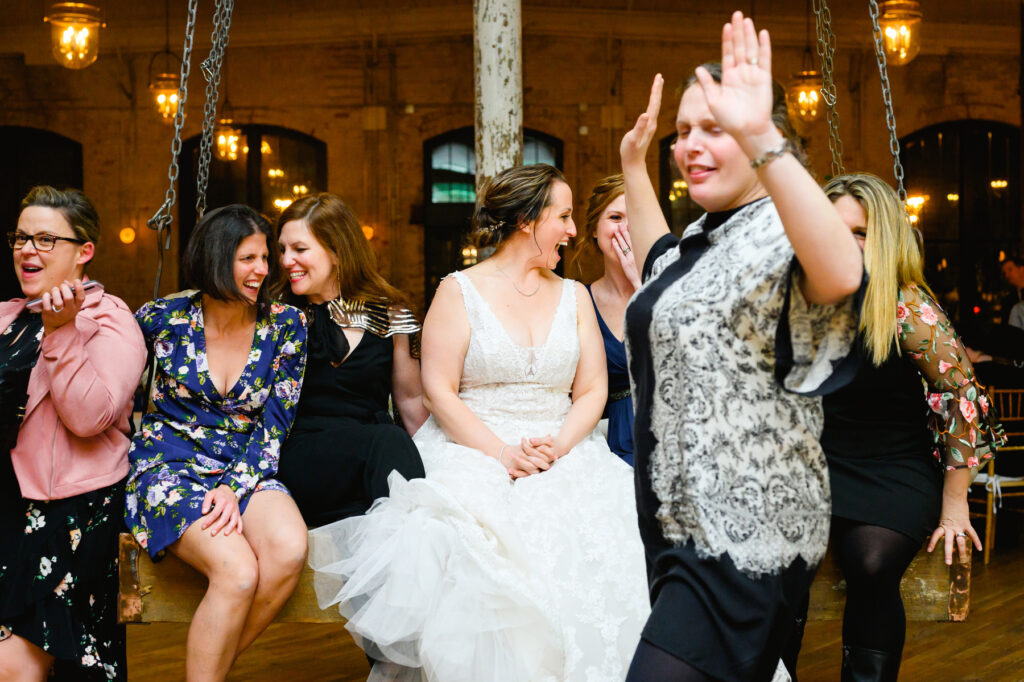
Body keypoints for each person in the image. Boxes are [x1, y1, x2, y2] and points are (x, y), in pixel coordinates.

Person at [309, 164, 650, 682]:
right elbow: (438, 391)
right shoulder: (458, 290)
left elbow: (592, 391)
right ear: (527, 221)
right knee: (468, 558)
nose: (573, 230)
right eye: (563, 216)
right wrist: (502, 454)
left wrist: (557, 447)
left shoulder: (574, 295)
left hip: (567, 449)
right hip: (473, 450)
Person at [620, 13, 864, 681]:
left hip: (745, 536)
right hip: (680, 531)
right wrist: (632, 167)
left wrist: (762, 137)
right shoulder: (707, 235)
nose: (689, 146)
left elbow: (843, 271)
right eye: (683, 132)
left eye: (714, 129)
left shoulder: (787, 226)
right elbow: (659, 281)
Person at [785, 173, 1005, 681]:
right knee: (780, 562)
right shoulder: (802, 294)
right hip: (816, 464)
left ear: (885, 237)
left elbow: (963, 398)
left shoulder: (906, 304)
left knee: (873, 563)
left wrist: (955, 504)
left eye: (860, 232)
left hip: (892, 468)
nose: (845, 242)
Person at [125, 205, 308, 681]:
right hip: (168, 466)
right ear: (216, 256)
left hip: (244, 467)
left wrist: (235, 485)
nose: (265, 270)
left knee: (289, 550)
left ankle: (208, 671)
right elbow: (115, 393)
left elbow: (275, 424)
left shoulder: (287, 324)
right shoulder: (160, 319)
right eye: (249, 258)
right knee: (238, 572)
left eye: (265, 257)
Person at [0, 186, 146, 681]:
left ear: (84, 252)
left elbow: (90, 418)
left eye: (45, 239)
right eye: (21, 237)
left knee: (16, 666)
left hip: (67, 511)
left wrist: (62, 331)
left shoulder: (111, 320)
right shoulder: (7, 318)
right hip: (7, 505)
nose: (27, 250)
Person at [274, 193, 427, 527]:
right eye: (283, 250)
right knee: (388, 442)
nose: (286, 260)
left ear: (337, 251)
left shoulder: (390, 314)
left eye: (299, 249)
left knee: (393, 461)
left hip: (372, 461)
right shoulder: (278, 317)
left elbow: (411, 402)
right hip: (302, 457)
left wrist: (434, 463)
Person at [572, 174, 640, 464]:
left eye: (635, 217)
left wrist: (643, 287)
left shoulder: (671, 288)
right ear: (594, 231)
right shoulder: (579, 301)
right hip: (607, 442)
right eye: (615, 217)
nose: (626, 228)